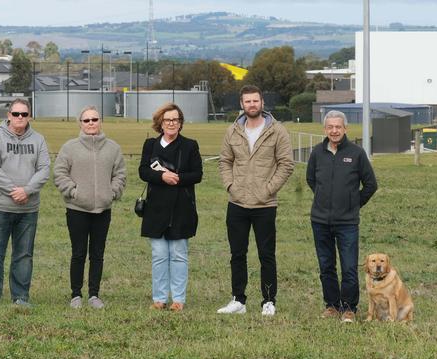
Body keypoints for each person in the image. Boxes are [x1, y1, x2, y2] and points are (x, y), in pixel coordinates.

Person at [217, 85, 294, 316]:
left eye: (255, 101)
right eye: (247, 101)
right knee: (237, 254)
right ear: (242, 104)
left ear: (262, 103)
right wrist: (231, 186)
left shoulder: (277, 131)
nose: (252, 105)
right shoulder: (232, 131)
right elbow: (224, 161)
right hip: (237, 203)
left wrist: (268, 190)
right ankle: (238, 300)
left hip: (265, 205)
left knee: (266, 254)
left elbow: (286, 164)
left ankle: (269, 301)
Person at [306, 110, 377, 323]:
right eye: (330, 127)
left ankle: (348, 308)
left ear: (345, 128)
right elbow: (311, 180)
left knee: (348, 266)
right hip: (320, 221)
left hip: (347, 223)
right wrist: (323, 199)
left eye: (338, 127)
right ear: (325, 129)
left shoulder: (356, 153)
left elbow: (371, 184)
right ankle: (332, 305)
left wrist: (352, 204)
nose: (334, 131)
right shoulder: (317, 152)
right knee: (326, 266)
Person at [54, 106, 126, 309]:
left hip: (103, 210)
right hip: (77, 209)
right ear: (80, 123)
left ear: (100, 121)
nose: (91, 123)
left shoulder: (113, 148)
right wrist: (74, 192)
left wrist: (112, 193)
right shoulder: (70, 147)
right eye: (86, 120)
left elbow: (120, 173)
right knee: (78, 253)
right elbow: (59, 173)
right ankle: (75, 294)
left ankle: (94, 294)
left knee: (97, 253)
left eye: (94, 119)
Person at [0, 97, 50, 307]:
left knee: (24, 254)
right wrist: (14, 191)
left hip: (28, 208)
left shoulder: (38, 140)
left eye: (24, 114)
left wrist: (27, 190)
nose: (20, 118)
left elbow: (45, 168)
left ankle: (20, 297)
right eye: (16, 114)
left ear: (29, 116)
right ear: (8, 115)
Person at [139, 103, 203, 312]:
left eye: (175, 120)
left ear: (180, 123)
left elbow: (197, 174)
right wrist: (161, 176)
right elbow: (143, 172)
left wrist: (178, 178)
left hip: (181, 209)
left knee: (178, 254)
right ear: (160, 123)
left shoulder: (190, 145)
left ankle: (178, 299)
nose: (171, 123)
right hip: (156, 209)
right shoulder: (150, 144)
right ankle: (159, 298)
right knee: (159, 254)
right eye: (167, 120)